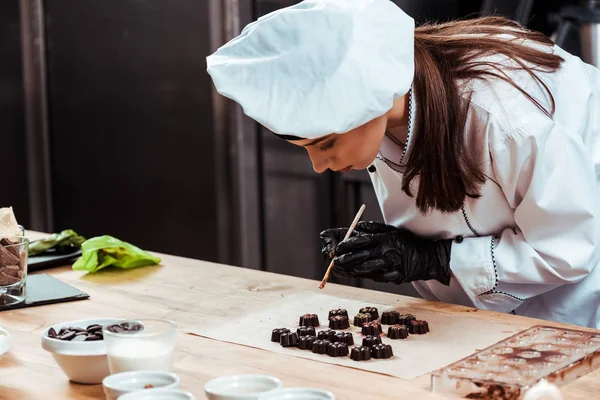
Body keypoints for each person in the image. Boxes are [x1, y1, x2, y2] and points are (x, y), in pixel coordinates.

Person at [206, 0, 600, 328]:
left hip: (581, 290)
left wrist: (435, 260)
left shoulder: (507, 120)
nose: (318, 166)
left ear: (370, 103)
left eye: (326, 143)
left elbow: (565, 251)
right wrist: (405, 249)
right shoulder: (390, 108)